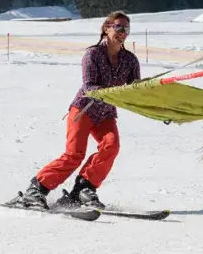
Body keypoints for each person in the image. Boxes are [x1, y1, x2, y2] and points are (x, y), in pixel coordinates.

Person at [12, 11, 141, 211]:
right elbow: (89, 86)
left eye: (126, 29)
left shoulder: (130, 60)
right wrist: (112, 92)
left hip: (106, 113)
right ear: (106, 29)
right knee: (74, 155)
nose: (123, 32)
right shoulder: (93, 54)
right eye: (118, 27)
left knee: (111, 146)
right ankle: (36, 190)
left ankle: (83, 188)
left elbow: (135, 89)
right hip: (84, 109)